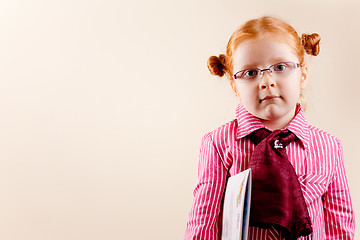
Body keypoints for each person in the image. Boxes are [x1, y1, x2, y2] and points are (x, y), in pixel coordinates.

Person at [185, 16, 355, 240]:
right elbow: (204, 222)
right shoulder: (218, 144)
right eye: (251, 73)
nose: (267, 81)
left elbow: (339, 225)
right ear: (234, 86)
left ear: (302, 75)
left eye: (281, 67)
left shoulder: (328, 147)